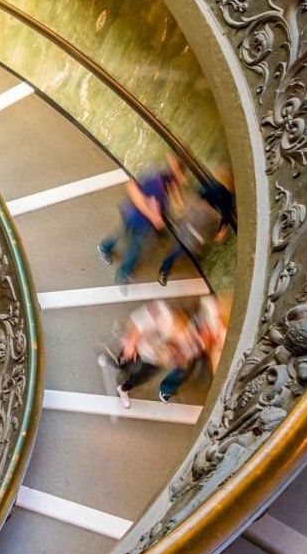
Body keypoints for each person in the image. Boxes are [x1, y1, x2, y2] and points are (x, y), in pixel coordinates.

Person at [98, 156, 180, 286]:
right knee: (134, 247)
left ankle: (104, 248)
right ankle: (122, 273)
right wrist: (155, 218)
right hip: (138, 219)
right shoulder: (159, 188)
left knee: (122, 233)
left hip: (130, 213)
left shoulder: (154, 174)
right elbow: (147, 202)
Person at [106, 300, 198, 406]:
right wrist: (131, 343)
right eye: (179, 331)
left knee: (141, 377)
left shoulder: (188, 336)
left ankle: (123, 389)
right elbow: (139, 322)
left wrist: (175, 356)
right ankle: (120, 363)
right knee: (126, 358)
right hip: (139, 346)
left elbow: (183, 359)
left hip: (154, 359)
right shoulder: (162, 311)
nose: (181, 336)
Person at [157, 170, 234, 285]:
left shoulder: (211, 185)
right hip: (200, 222)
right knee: (184, 246)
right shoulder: (226, 196)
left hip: (194, 218)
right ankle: (165, 267)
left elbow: (199, 193)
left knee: (184, 242)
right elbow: (225, 215)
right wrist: (221, 229)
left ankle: (167, 264)